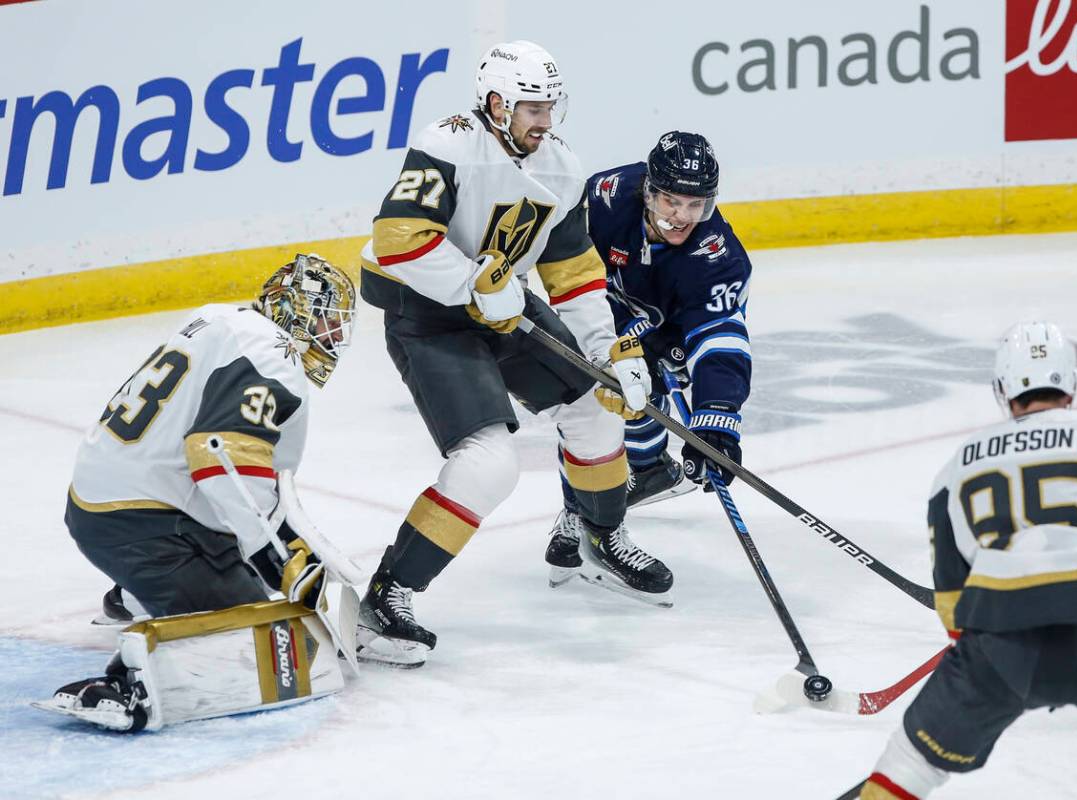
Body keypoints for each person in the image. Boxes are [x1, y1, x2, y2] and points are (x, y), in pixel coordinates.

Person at [355, 40, 673, 668]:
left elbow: (575, 273)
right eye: (532, 107)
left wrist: (611, 353)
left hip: (502, 301)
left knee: (599, 409)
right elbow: (396, 241)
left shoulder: (559, 167)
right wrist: (471, 284)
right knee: (488, 465)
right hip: (426, 313)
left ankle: (598, 536)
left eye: (551, 107)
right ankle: (386, 599)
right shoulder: (448, 144)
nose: (544, 121)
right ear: (496, 103)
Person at [35, 254, 358, 732]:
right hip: (143, 521)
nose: (331, 337)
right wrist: (280, 557)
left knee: (246, 560)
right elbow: (219, 454)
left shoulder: (217, 319)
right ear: (296, 311)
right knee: (268, 641)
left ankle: (139, 590)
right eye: (327, 320)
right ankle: (130, 684)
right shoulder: (276, 352)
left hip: (110, 498)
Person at [858, 322, 1077, 799]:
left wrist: (975, 665)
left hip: (1001, 651)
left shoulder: (956, 467)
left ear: (1002, 389)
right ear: (1071, 383)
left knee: (907, 765)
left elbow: (951, 601)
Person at [544, 131, 753, 586]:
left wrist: (716, 418)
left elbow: (721, 338)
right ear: (649, 192)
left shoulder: (717, 256)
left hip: (671, 331)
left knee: (640, 393)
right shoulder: (605, 199)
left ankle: (645, 470)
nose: (683, 217)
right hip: (605, 317)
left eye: (696, 205)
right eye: (672, 202)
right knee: (586, 398)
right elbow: (558, 256)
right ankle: (585, 504)